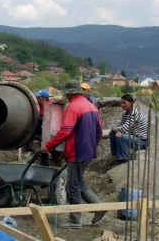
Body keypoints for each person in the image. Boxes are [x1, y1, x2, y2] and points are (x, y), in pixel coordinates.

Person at [41, 80, 106, 229]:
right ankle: (98, 207)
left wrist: (48, 146)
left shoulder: (73, 107)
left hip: (77, 152)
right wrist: (92, 146)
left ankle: (75, 220)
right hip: (88, 151)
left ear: (70, 93)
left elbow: (65, 130)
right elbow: (99, 132)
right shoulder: (91, 107)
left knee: (72, 187)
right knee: (77, 181)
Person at [109, 94, 148, 165]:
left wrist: (115, 129)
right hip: (134, 137)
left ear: (131, 103)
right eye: (121, 102)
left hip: (141, 141)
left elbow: (125, 127)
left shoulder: (134, 113)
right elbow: (121, 124)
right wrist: (115, 130)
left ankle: (124, 159)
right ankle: (116, 156)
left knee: (121, 137)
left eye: (124, 103)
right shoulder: (125, 113)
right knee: (113, 135)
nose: (122, 104)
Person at [25, 88, 52, 158]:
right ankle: (29, 150)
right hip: (37, 127)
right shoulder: (36, 105)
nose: (37, 98)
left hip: (47, 129)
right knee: (29, 133)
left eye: (38, 97)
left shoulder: (52, 105)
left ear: (44, 98)